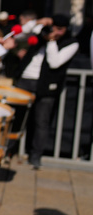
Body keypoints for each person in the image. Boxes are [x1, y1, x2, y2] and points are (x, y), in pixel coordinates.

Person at [16, 14, 79, 169]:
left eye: (59, 29)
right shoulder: (41, 32)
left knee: (41, 122)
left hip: (47, 86)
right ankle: (10, 151)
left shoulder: (71, 43)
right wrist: (37, 22)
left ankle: (35, 157)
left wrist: (51, 41)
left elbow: (54, 62)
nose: (55, 31)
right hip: (25, 80)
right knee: (17, 117)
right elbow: (20, 32)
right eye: (54, 28)